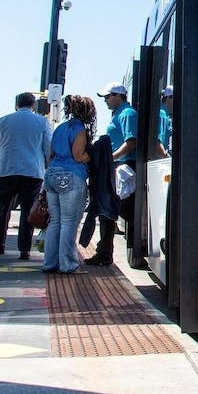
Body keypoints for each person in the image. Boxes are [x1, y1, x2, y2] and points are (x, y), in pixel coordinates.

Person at [0, 91, 53, 260]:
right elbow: (48, 148)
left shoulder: (4, 121)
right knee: (27, 210)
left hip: (6, 170)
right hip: (32, 172)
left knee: (4, 208)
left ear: (17, 104)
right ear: (33, 105)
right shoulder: (42, 121)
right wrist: (48, 167)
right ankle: (24, 249)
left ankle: (0, 243)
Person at [43, 95, 96, 274]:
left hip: (52, 174)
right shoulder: (80, 129)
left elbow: (51, 155)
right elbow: (78, 156)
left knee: (55, 221)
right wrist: (94, 154)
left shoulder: (60, 128)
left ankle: (49, 263)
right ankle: (68, 264)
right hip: (71, 176)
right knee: (68, 222)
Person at [86, 82, 137, 266]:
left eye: (108, 97)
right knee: (107, 210)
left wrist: (110, 157)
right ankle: (104, 251)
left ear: (118, 96)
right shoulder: (119, 114)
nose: (106, 101)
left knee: (115, 209)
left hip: (123, 168)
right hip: (117, 167)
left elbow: (131, 142)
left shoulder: (127, 114)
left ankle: (105, 252)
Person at [155, 85, 173, 157]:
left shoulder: (166, 114)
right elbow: (157, 141)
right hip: (161, 161)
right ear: (169, 98)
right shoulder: (162, 114)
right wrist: (166, 157)